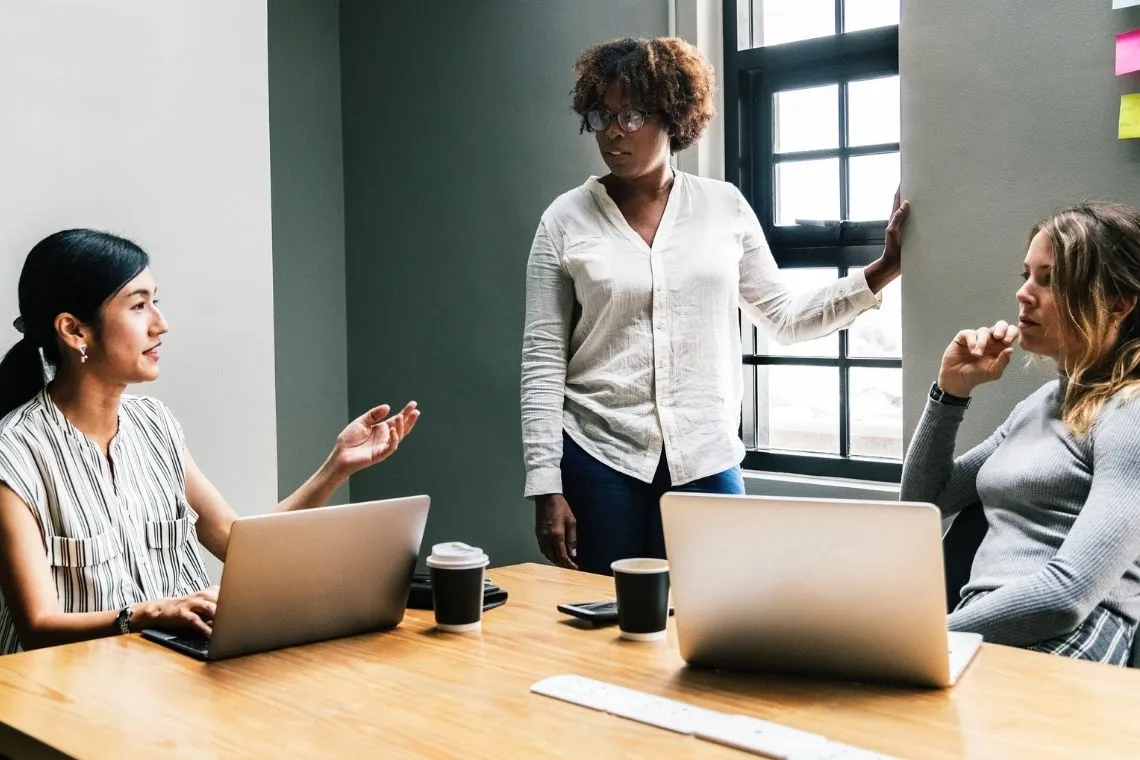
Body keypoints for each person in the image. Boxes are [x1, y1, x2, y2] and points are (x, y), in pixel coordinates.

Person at [520, 36, 908, 574]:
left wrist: (883, 269)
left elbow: (786, 317)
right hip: (598, 457)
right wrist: (545, 483)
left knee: (716, 616)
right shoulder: (564, 220)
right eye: (600, 114)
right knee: (609, 630)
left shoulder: (724, 207)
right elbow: (542, 360)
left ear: (673, 116)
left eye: (629, 115)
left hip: (704, 454)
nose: (611, 130)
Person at [0, 229, 420, 654]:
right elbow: (38, 625)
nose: (160, 325)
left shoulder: (156, 425)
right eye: (139, 305)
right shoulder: (14, 453)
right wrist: (143, 615)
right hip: (62, 700)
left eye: (155, 302)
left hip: (175, 673)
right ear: (73, 331)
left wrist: (337, 466)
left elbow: (243, 547)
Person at [901, 203, 1140, 665]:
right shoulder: (1040, 404)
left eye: (1049, 279)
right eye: (1027, 274)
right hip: (982, 626)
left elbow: (1066, 596)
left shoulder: (1128, 411)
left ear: (1119, 302)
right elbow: (922, 503)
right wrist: (950, 394)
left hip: (1072, 639)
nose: (1023, 293)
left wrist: (918, 634)